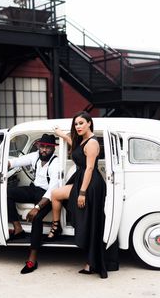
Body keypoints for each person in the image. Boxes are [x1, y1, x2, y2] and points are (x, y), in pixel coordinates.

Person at [47, 111, 119, 278]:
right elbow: (76, 148)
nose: (78, 126)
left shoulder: (92, 143)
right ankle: (57, 227)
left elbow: (90, 168)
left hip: (90, 184)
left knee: (91, 223)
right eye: (76, 124)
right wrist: (62, 135)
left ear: (89, 124)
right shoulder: (84, 141)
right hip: (83, 180)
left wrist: (82, 192)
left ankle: (92, 262)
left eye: (81, 123)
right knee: (56, 194)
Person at [7, 133, 59, 274]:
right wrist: (6, 164)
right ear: (38, 146)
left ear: (53, 149)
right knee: (8, 192)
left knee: (36, 218)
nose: (44, 150)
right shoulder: (35, 156)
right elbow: (17, 161)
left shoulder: (56, 163)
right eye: (42, 146)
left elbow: (52, 189)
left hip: (47, 195)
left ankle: (32, 259)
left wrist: (37, 208)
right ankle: (18, 229)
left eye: (48, 147)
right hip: (34, 189)